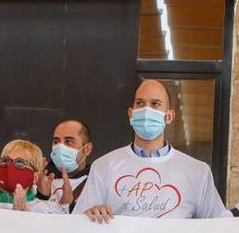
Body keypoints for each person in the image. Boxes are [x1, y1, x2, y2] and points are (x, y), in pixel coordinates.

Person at [75, 79, 228, 222]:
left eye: (155, 104)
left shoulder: (198, 171)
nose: (146, 109)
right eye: (140, 103)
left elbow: (219, 226)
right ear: (130, 114)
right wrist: (91, 214)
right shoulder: (104, 166)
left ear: (169, 116)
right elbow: (77, 223)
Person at [0, 140, 65, 213]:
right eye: (5, 160)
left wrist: (22, 217)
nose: (10, 167)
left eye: (20, 163)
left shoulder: (45, 210)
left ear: (35, 178)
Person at [38, 119, 94, 211]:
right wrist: (41, 196)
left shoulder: (96, 182)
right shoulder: (41, 177)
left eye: (68, 141)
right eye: (56, 142)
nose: (60, 147)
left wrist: (69, 205)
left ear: (87, 149)